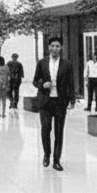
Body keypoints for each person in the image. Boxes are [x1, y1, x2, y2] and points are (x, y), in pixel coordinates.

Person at [32, 37, 76, 170]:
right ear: (48, 48)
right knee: (45, 129)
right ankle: (46, 154)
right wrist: (42, 84)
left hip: (60, 102)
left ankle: (56, 160)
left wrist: (72, 99)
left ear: (61, 48)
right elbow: (35, 81)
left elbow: (71, 83)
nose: (54, 49)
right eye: (52, 46)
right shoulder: (42, 63)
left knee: (59, 131)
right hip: (45, 102)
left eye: (57, 46)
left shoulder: (67, 64)